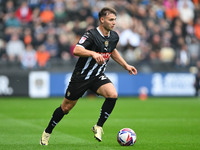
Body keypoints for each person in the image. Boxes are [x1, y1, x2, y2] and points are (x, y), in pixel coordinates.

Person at [40, 7, 137, 145]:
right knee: (65, 108)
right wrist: (93, 53)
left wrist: (125, 65)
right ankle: (47, 132)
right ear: (102, 20)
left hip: (97, 76)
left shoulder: (114, 36)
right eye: (111, 20)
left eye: (115, 20)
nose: (114, 22)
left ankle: (98, 126)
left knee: (112, 94)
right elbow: (77, 50)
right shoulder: (91, 34)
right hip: (81, 77)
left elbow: (112, 50)